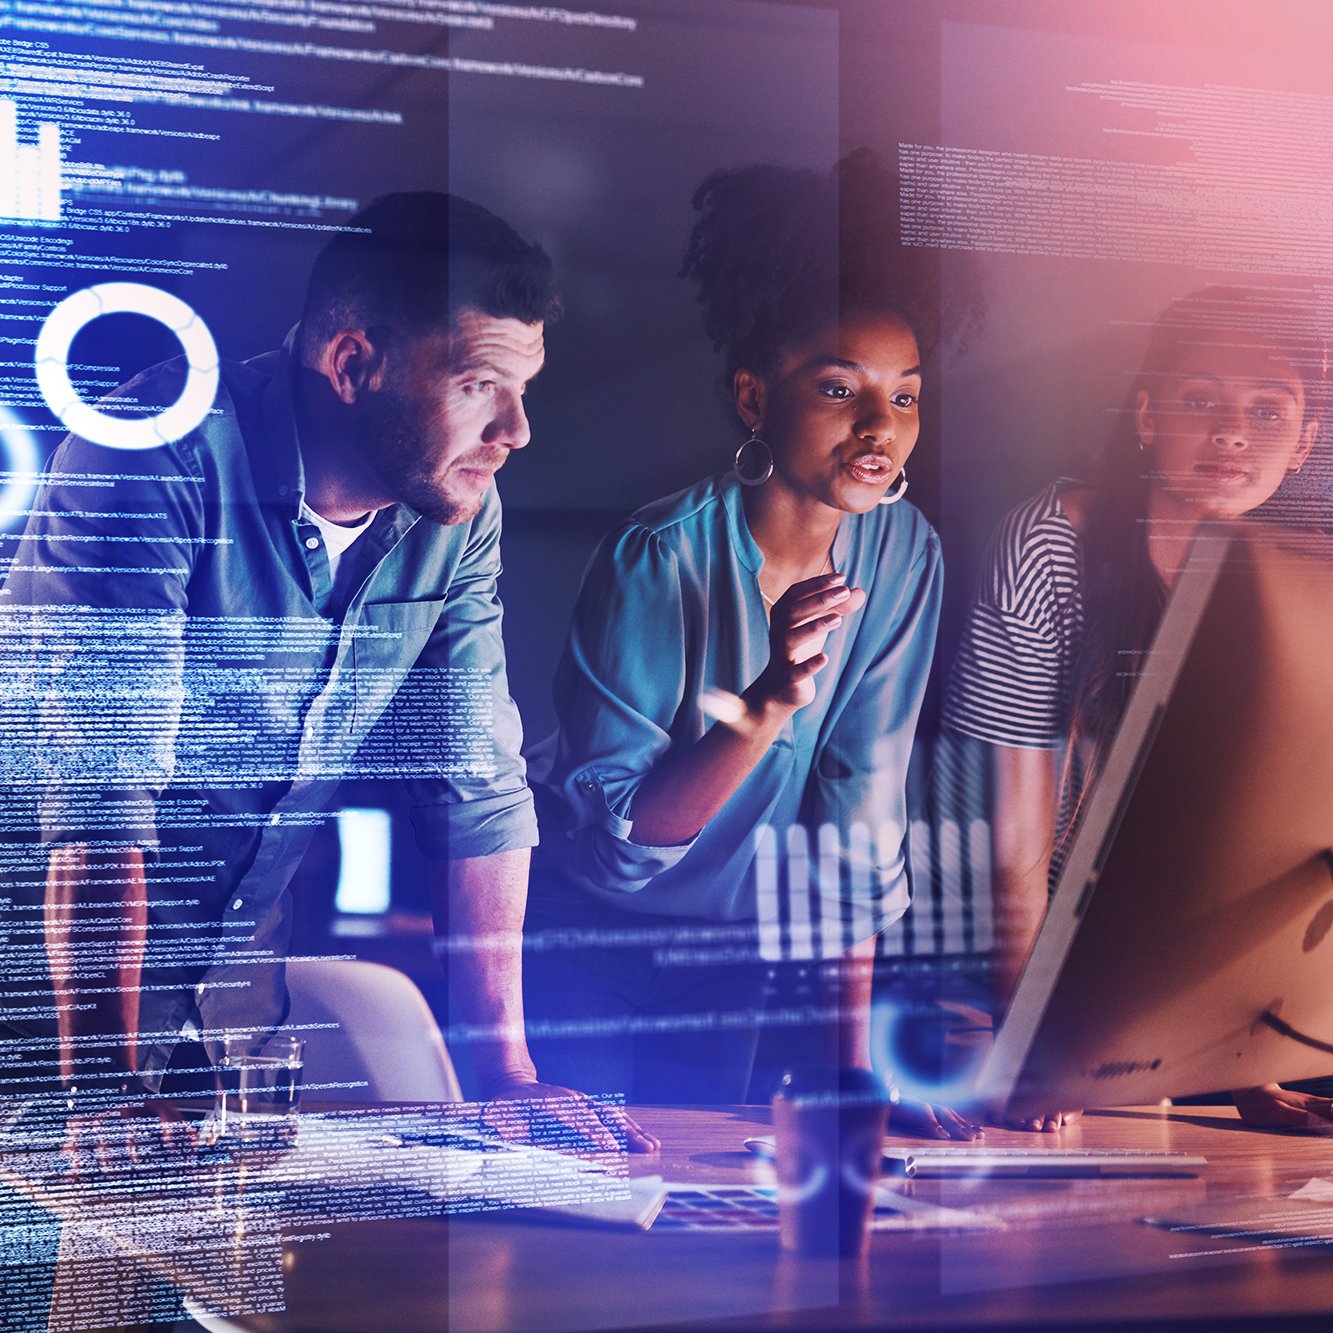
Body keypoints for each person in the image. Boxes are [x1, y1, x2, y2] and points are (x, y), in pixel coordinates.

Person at [0, 191, 654, 1153]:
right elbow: (102, 800)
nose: (516, 430)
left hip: (237, 1030)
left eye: (527, 390)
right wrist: (99, 1084)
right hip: (48, 1019)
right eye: (480, 383)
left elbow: (476, 786)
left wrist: (504, 1076)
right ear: (353, 364)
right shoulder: (151, 453)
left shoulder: (457, 509)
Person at [522, 152, 981, 1136]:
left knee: (694, 1245)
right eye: (837, 389)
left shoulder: (904, 554)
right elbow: (618, 843)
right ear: (750, 400)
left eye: (903, 396)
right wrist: (771, 698)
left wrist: (852, 1086)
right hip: (589, 940)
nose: (879, 428)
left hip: (735, 951)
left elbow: (863, 812)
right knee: (576, 1236)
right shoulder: (658, 557)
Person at [943, 285, 1329, 1132]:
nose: (1232, 432)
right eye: (1202, 401)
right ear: (1147, 415)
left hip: (1155, 997)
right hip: (991, 977)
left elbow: (1244, 843)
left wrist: (1245, 1066)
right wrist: (1031, 1059)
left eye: (1267, 411)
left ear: (1304, 443)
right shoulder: (1050, 542)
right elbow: (1014, 843)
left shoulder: (1296, 583)